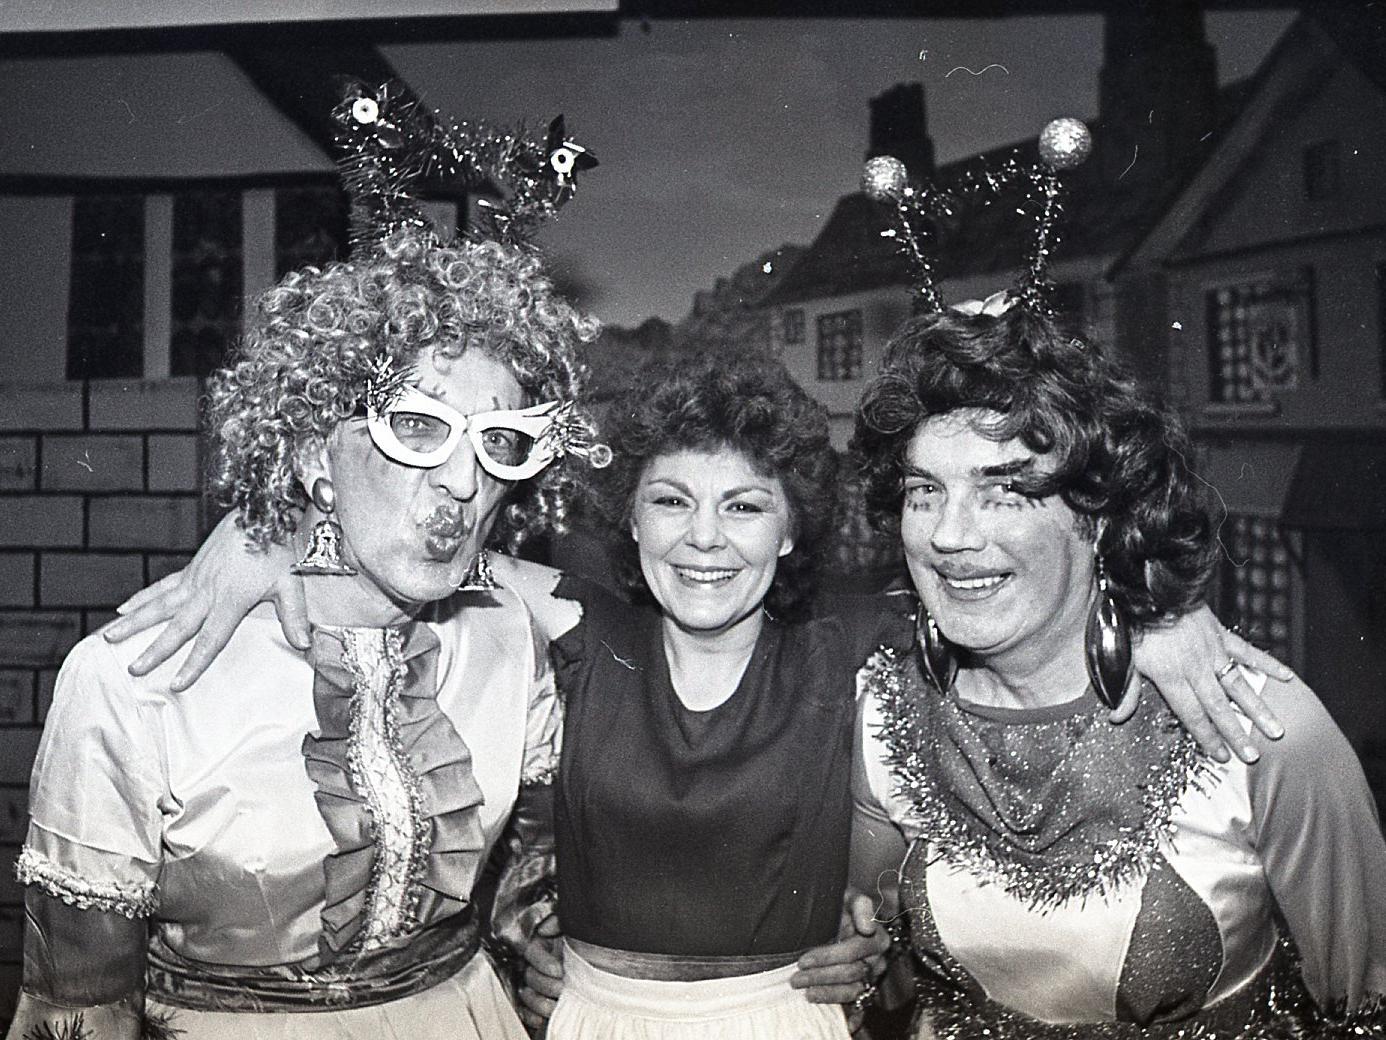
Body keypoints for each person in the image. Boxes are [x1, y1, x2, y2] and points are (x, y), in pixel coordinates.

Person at [108, 350, 1290, 1040]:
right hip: (592, 1022)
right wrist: (256, 543)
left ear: (792, 531)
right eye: (672, 502)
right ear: (628, 520)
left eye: (744, 506)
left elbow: (1018, 590)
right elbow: (403, 548)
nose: (705, 539)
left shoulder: (854, 645)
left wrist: (1163, 616)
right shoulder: (574, 628)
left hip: (787, 1022)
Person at [5, 225, 599, 1040]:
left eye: (498, 441)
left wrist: (552, 963)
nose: (465, 480)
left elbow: (518, 884)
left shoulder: (506, 639)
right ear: (316, 454)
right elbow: (79, 1004)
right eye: (415, 426)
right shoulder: (134, 678)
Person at [848, 303, 1386, 1037]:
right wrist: (859, 961)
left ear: (1099, 514)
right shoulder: (885, 718)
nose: (948, 534)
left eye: (1006, 491)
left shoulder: (1255, 726)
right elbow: (877, 972)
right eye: (925, 492)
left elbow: (1365, 1008)